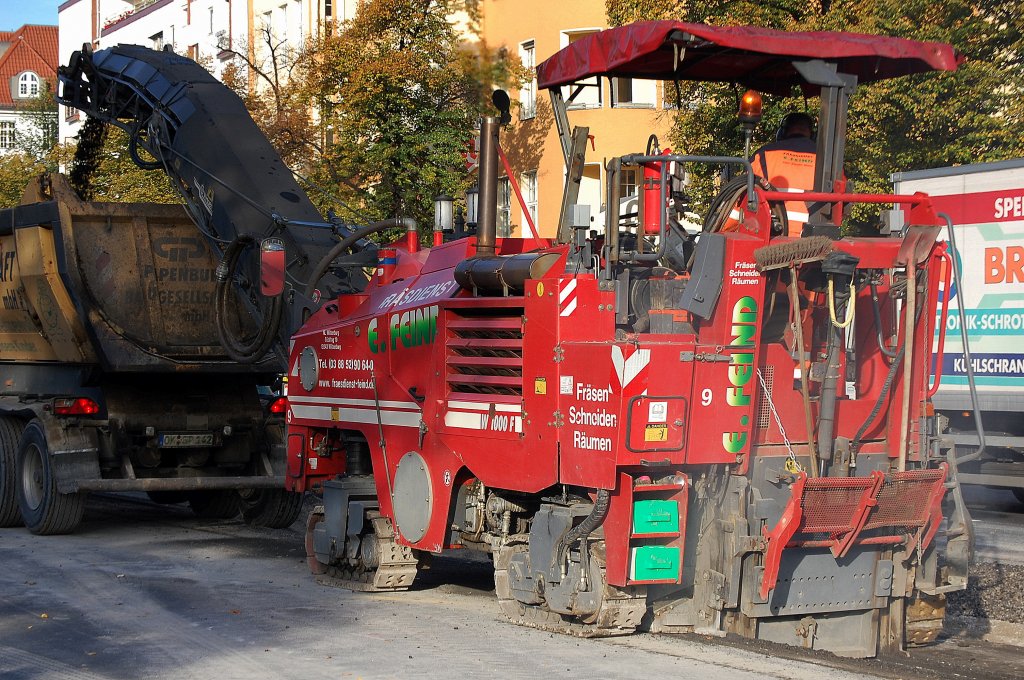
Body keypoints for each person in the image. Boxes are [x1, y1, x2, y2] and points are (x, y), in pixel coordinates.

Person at [750, 112, 818, 236]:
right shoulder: (829, 160)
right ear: (813, 134)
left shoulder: (762, 156)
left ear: (782, 132)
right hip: (816, 239)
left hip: (774, 235)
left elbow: (745, 197)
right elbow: (842, 206)